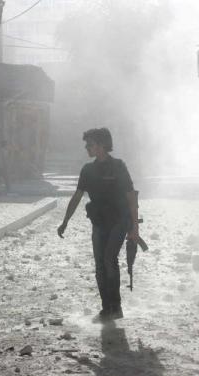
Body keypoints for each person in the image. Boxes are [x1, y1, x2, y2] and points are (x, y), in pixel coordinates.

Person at [57, 128, 139, 322]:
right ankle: (106, 308)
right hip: (99, 224)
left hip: (119, 222)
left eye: (90, 144)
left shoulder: (119, 167)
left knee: (110, 259)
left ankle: (116, 307)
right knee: (100, 265)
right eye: (87, 145)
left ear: (102, 146)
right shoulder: (88, 170)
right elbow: (77, 196)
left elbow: (131, 197)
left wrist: (135, 228)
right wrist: (65, 221)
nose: (87, 148)